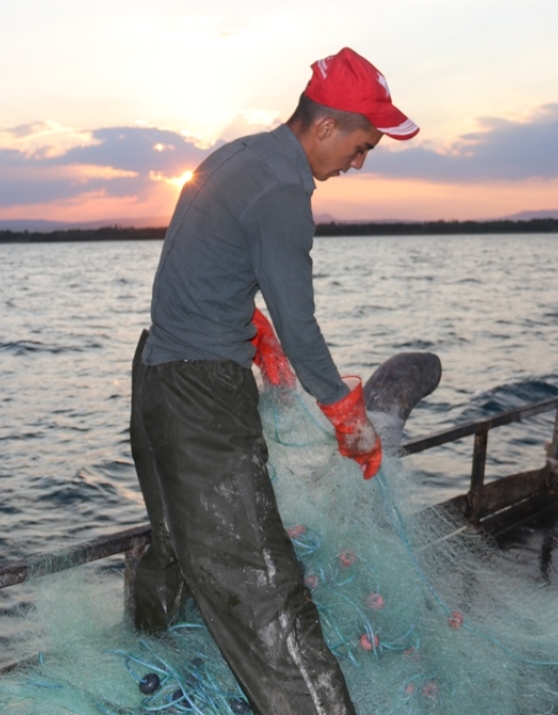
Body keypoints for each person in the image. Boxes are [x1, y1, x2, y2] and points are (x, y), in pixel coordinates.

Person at [129, 47, 419, 715]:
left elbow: (204, 260)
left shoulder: (239, 155)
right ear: (325, 127)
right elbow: (302, 323)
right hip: (200, 395)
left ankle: (143, 666)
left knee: (174, 547)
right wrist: (349, 418)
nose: (360, 161)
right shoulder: (285, 190)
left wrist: (248, 326)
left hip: (154, 377)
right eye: (361, 145)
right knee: (262, 583)